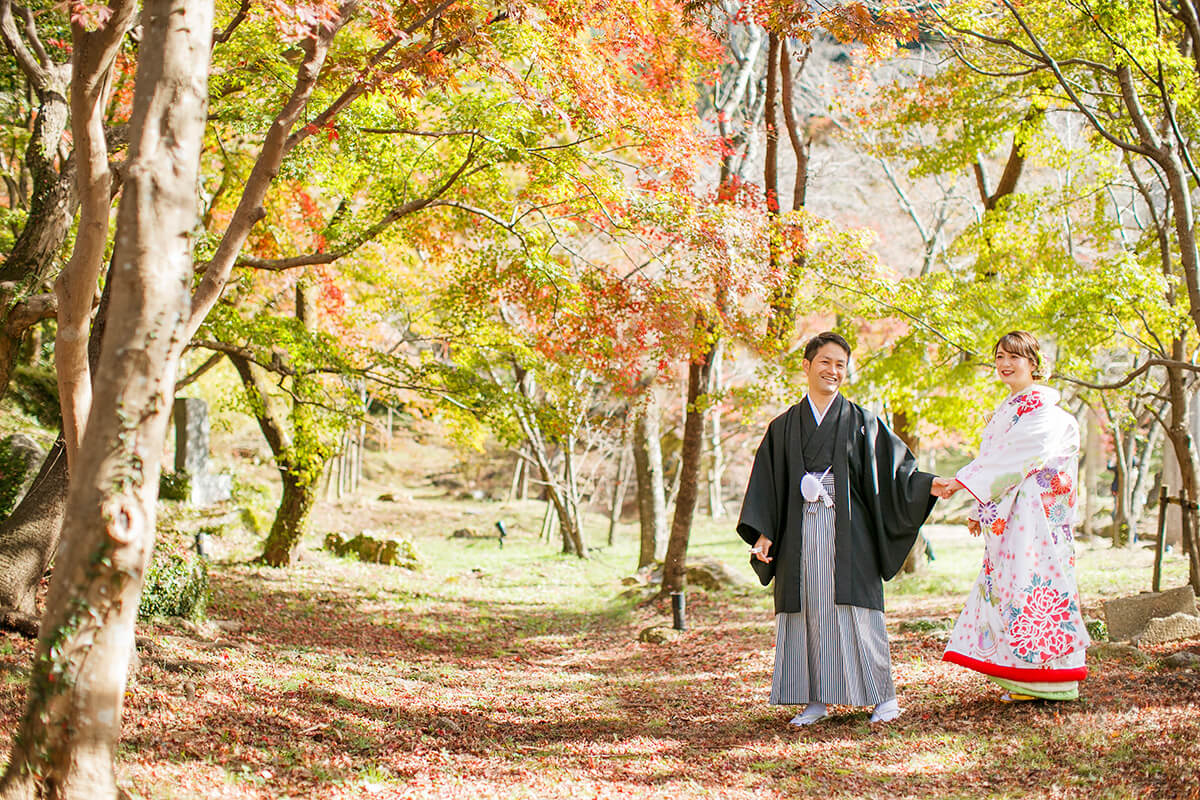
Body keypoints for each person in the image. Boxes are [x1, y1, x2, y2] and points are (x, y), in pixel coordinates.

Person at [737, 332, 948, 726]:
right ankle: (815, 698)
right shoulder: (783, 427)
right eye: (825, 362)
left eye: (840, 365)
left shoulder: (860, 420)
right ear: (807, 365)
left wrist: (927, 484)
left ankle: (883, 696)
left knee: (857, 610)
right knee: (809, 611)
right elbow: (769, 485)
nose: (833, 371)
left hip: (849, 531)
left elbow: (896, 470)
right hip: (799, 529)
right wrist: (765, 533)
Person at [937, 331, 1090, 701]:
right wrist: (980, 507)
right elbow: (997, 461)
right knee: (1012, 592)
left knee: (1038, 589)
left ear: (1034, 364)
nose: (1005, 364)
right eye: (1000, 357)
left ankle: (1054, 679)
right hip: (1015, 518)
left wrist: (961, 483)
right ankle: (1024, 679)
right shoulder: (1012, 408)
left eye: (1015, 357)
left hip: (1038, 522)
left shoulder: (1045, 414)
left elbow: (1017, 458)